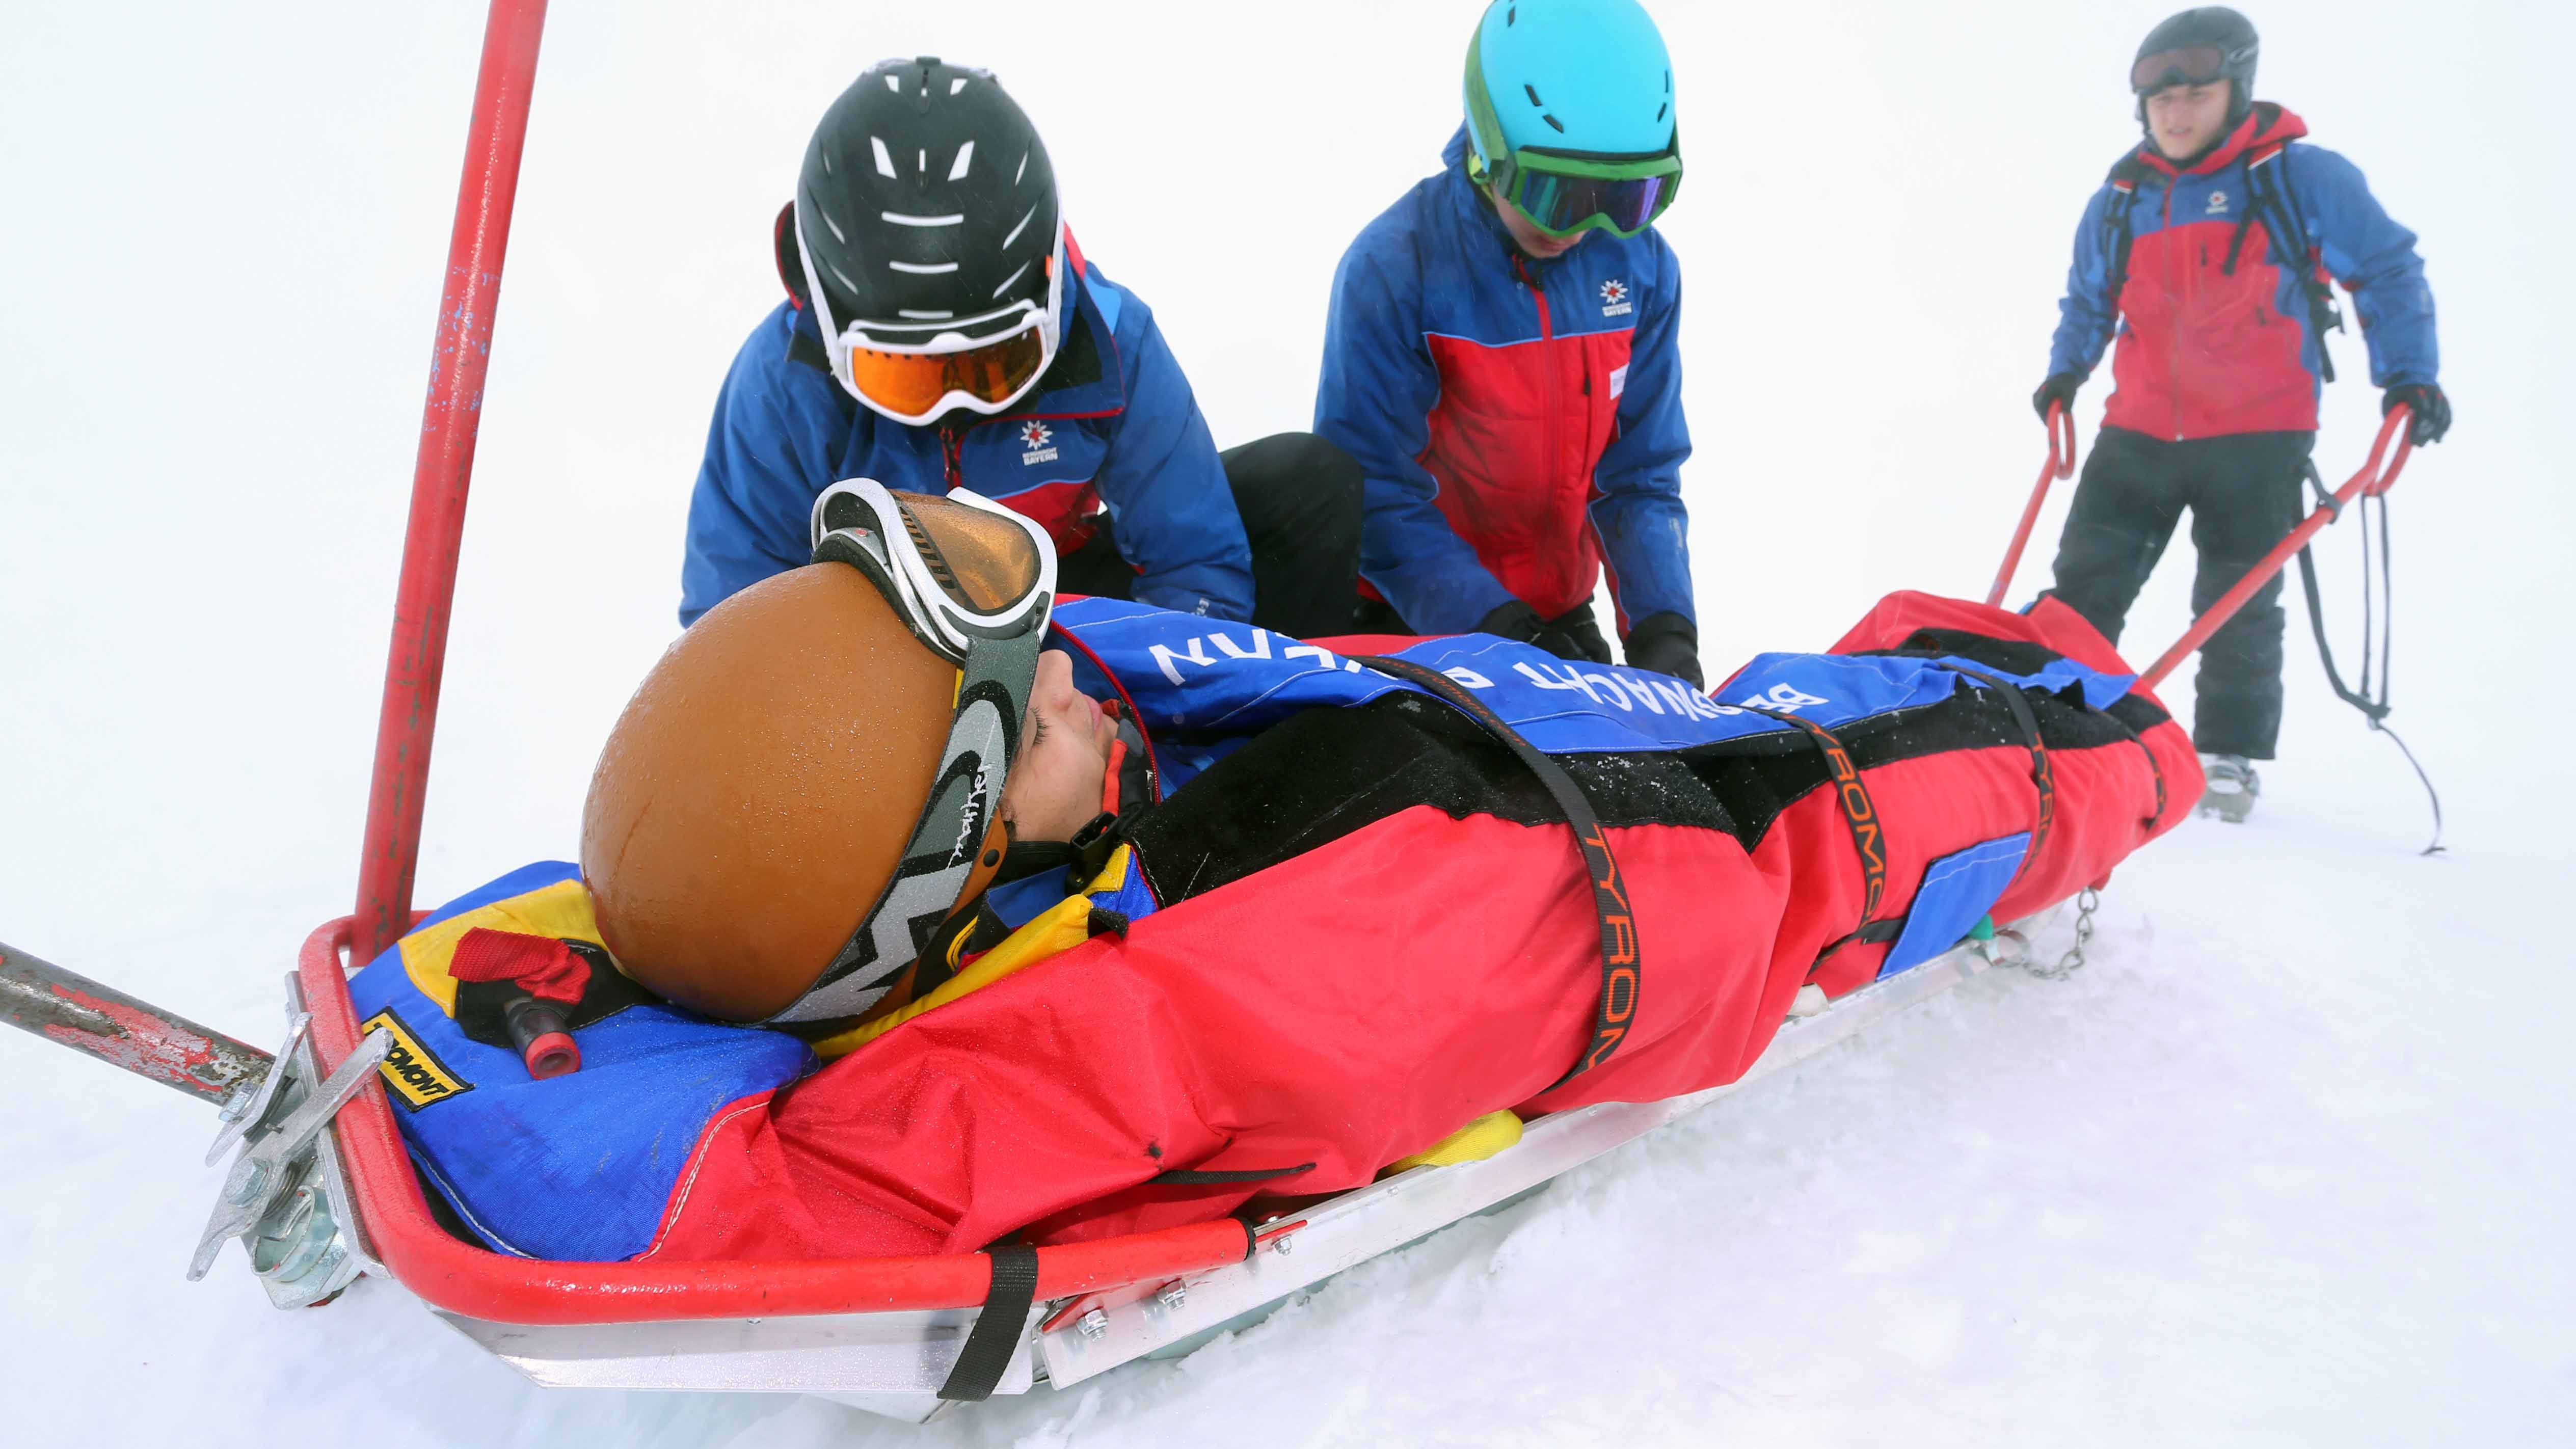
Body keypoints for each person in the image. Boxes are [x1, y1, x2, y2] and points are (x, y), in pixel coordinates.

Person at [344, 481, 2193, 1266]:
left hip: (1494, 731)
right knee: (1907, 788)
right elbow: (755, 1201)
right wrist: (2126, 762)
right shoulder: (1131, 1019)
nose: (1068, 665)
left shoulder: (980, 816)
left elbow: (567, 925)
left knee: (1830, 696)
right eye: (1027, 700)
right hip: (1657, 870)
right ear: (952, 848)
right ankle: (2113, 733)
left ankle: (2001, 667)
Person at [682, 56, 1361, 637]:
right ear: (831, 324)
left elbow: (1195, 562)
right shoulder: (782, 390)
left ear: (1047, 296)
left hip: (1048, 619)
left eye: (992, 363)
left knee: (1306, 488)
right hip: (883, 657)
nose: (952, 404)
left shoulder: (1110, 338)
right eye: (902, 373)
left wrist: (1129, 725)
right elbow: (733, 630)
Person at [2033, 8, 2445, 822]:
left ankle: (2227, 762)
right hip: (2139, 429)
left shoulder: (2298, 179)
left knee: (2239, 603)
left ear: (2237, 90)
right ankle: (2047, 729)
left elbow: (2389, 270)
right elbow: (2089, 300)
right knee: (2083, 588)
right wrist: (2063, 375)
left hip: (2258, 433)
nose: (2177, 113)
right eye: (2161, 101)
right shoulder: (2120, 200)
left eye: (2196, 93)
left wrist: (2410, 379)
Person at [1315, 0, 1701, 686]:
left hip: (1552, 615)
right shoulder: (1398, 268)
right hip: (1419, 614)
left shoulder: (1641, 271)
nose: (1580, 228)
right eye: (1555, 193)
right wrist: (1493, 628)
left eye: (1623, 199)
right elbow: (1374, 487)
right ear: (1491, 146)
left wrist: (1666, 631)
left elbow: (1639, 475)